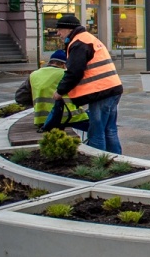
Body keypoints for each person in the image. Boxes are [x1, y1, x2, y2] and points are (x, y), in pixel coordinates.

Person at [51, 15, 124, 154]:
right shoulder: (87, 38)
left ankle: (97, 161)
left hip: (100, 92)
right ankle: (116, 159)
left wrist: (60, 91)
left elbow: (74, 72)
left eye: (60, 29)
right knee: (109, 129)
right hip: (112, 88)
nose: (58, 33)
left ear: (68, 29)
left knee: (96, 130)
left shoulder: (79, 42)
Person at [14, 49, 89, 132]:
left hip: (42, 121)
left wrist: (37, 104)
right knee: (98, 128)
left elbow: (20, 97)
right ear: (64, 64)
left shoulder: (34, 75)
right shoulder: (65, 74)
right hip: (70, 117)